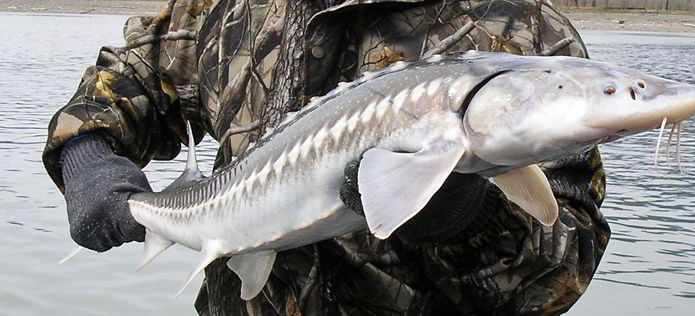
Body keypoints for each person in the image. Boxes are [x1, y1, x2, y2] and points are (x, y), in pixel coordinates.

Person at [43, 0, 611, 314]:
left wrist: (462, 216)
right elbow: (127, 82)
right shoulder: (228, 9)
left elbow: (558, 275)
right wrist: (87, 154)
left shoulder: (526, 39)